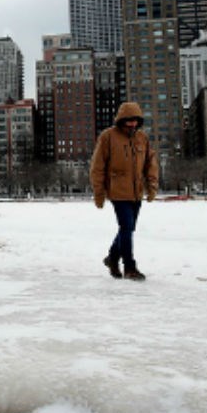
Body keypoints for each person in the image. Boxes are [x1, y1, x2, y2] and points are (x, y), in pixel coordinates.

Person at [90, 101, 158, 281]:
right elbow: (97, 166)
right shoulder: (108, 136)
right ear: (121, 120)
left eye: (135, 121)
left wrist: (152, 186)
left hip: (136, 192)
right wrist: (99, 192)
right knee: (126, 227)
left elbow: (150, 163)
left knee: (128, 229)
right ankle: (129, 267)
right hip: (117, 191)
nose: (132, 124)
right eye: (128, 121)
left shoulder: (142, 138)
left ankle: (112, 257)